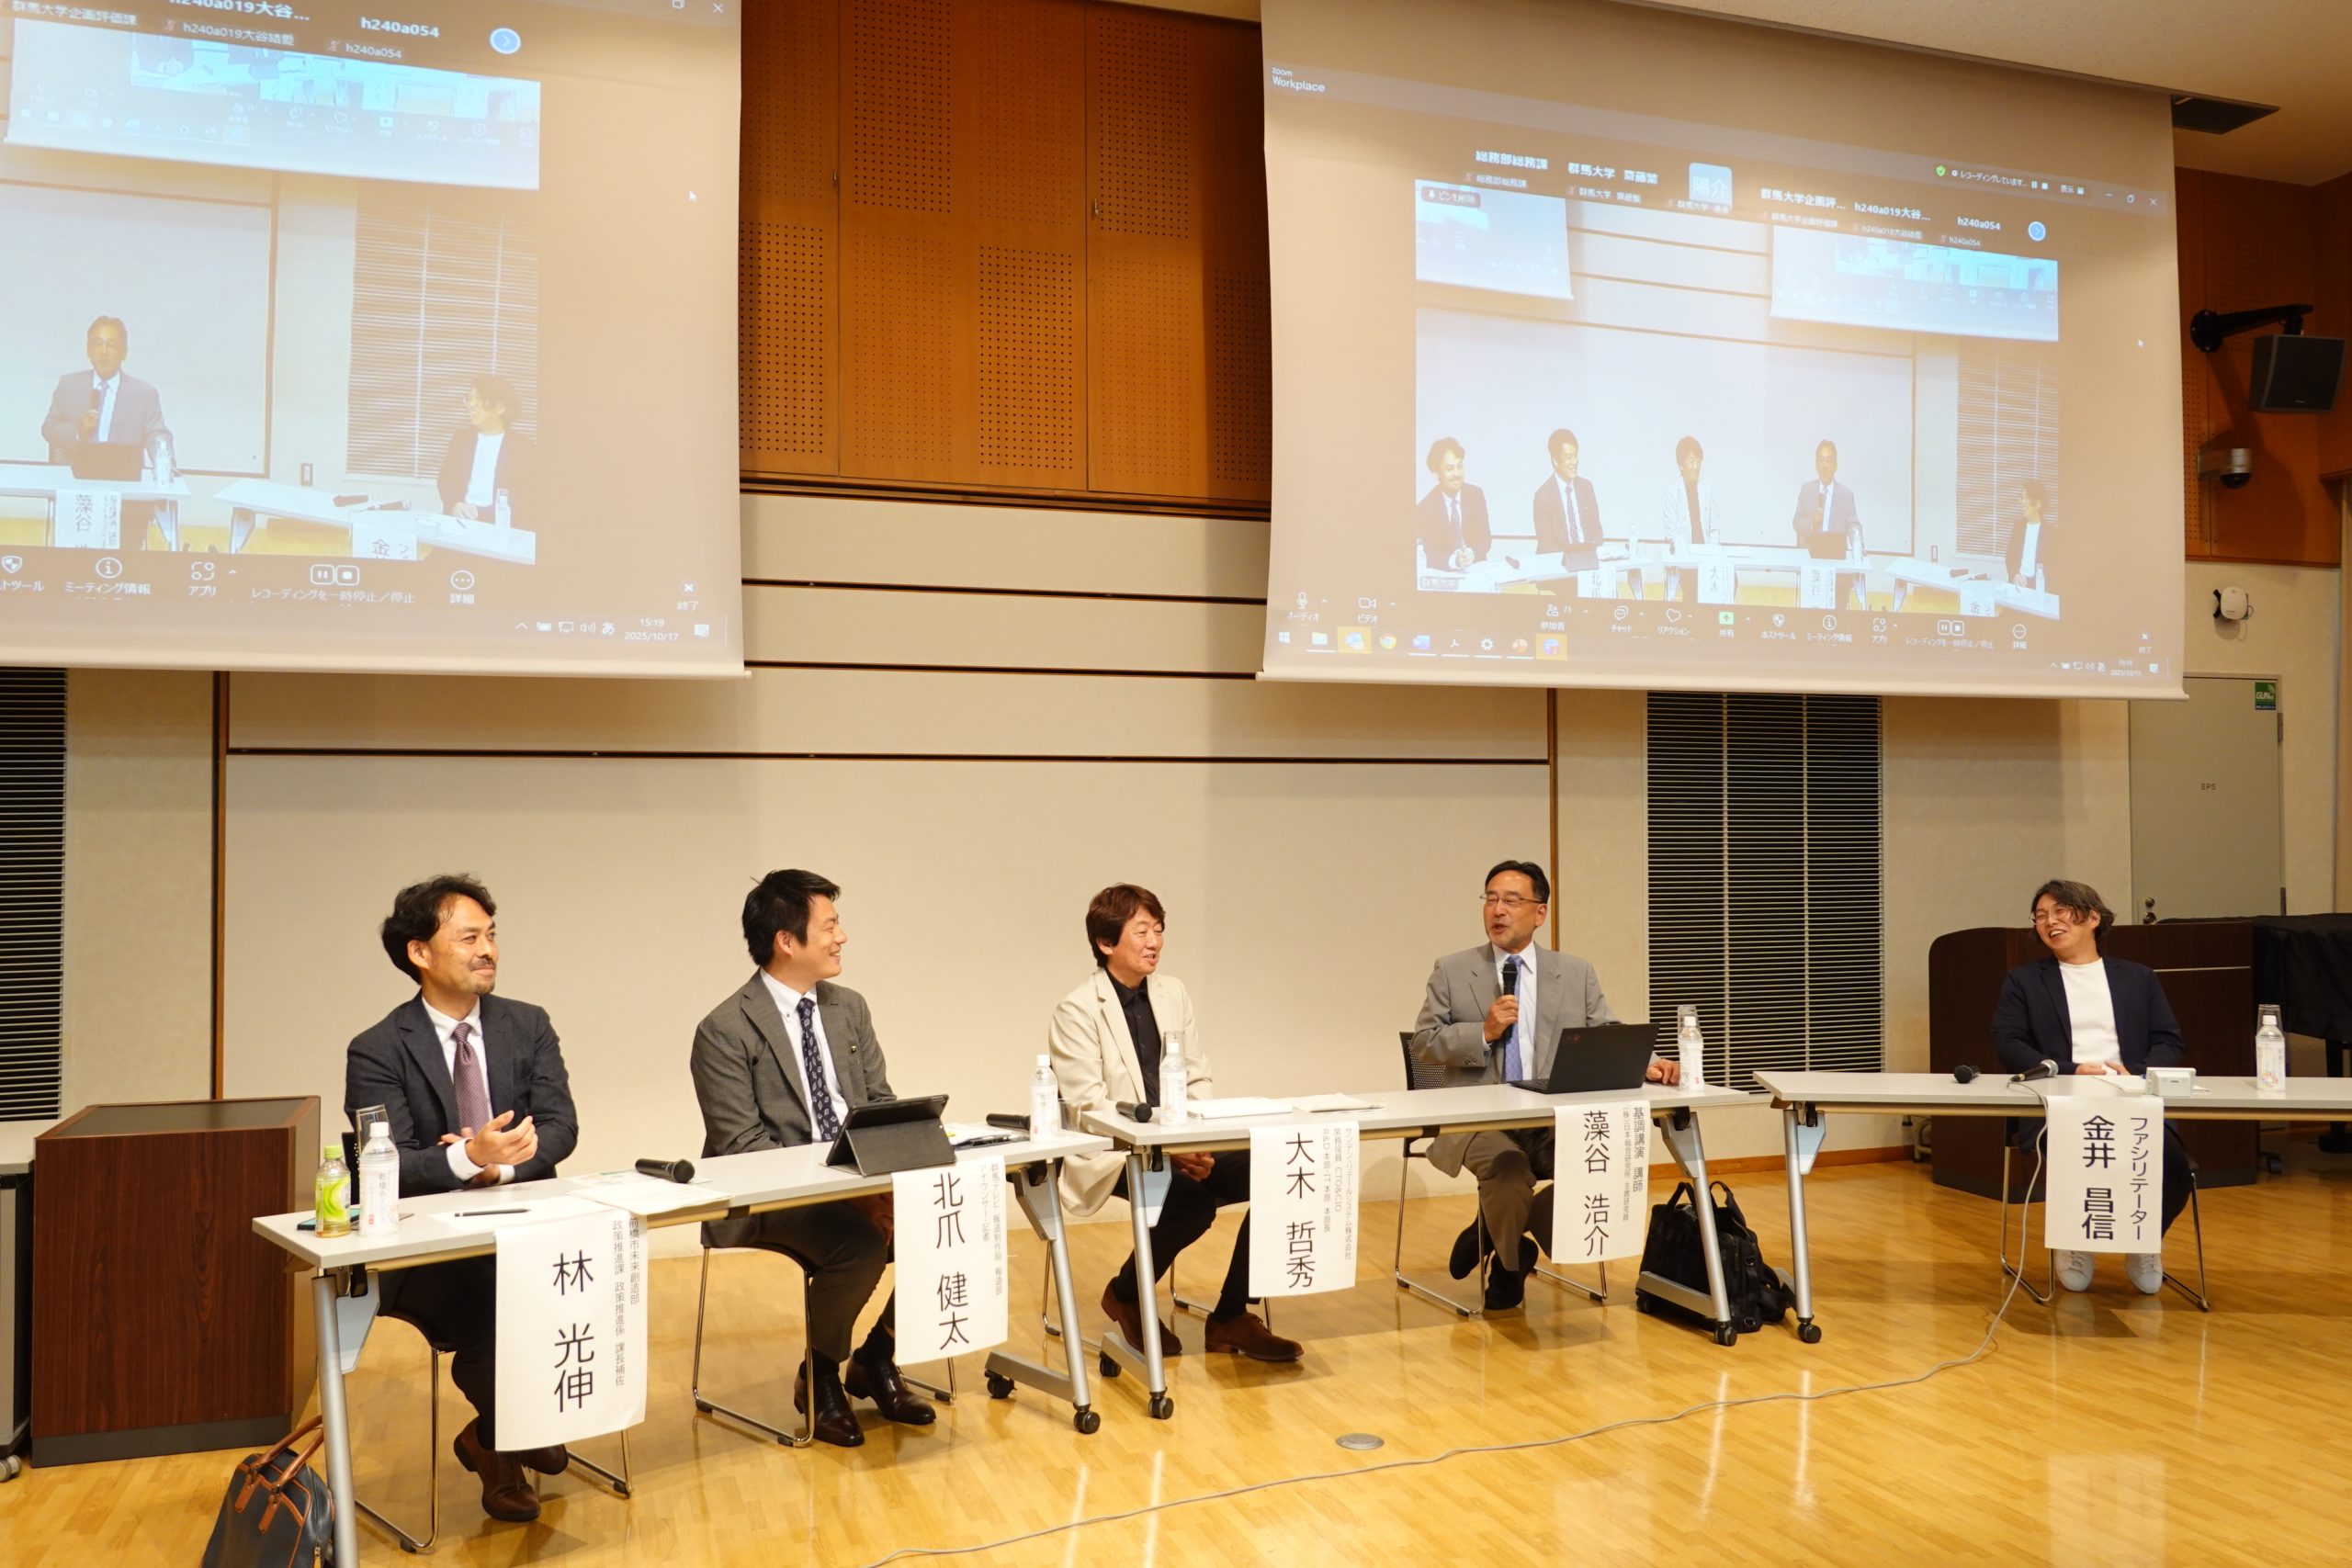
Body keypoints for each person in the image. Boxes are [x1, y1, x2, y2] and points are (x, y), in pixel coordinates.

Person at [344, 874, 580, 1524]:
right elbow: (383, 1164)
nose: (488, 950)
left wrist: (497, 1168)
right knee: (495, 1300)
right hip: (429, 1248)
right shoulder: (377, 1048)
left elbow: (561, 1125)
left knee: (589, 1270)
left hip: (524, 1218)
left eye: (492, 935)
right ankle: (506, 1435)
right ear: (420, 952)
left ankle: (499, 1427)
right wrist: (465, 1157)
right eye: (470, 937)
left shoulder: (528, 1024)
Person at [688, 868, 934, 1448]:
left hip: (855, 1184)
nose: (841, 937)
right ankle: (820, 1374)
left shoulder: (849, 1008)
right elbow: (742, 1150)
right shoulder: (724, 1029)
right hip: (766, 1200)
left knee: (951, 1215)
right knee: (860, 1242)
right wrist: (852, 1197)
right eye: (829, 926)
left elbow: (878, 1103)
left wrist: (885, 1181)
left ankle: (876, 1357)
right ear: (786, 940)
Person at [1046, 885, 1302, 1362]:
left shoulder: (1172, 992)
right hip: (1113, 1151)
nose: (1155, 943)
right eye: (1142, 931)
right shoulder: (1077, 1010)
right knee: (1190, 1205)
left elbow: (1196, 1074)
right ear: (1106, 943)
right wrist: (1167, 1149)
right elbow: (1089, 1106)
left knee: (1284, 1172)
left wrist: (1197, 1142)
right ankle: (1126, 1294)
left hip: (1180, 1140)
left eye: (1159, 930)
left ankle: (1231, 1316)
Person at [1410, 861, 1678, 1310]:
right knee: (1509, 1170)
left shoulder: (1574, 972)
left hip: (1551, 1118)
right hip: (1477, 1121)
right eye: (1491, 899)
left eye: (1511, 900)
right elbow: (1424, 1042)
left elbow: (1606, 1030)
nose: (1498, 909)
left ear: (1540, 913)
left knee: (1603, 1159)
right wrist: (1483, 1032)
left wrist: (1649, 1064)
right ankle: (1511, 1264)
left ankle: (1493, 1226)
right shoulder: (1454, 969)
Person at [1991, 878, 2194, 1295]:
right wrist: (2071, 1069)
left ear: (2093, 918)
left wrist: (2133, 1072)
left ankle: (2142, 1239)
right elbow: (2008, 1044)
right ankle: (2074, 1240)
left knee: (2175, 1167)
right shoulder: (2024, 981)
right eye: (2040, 916)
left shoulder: (2137, 978)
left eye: (2060, 911)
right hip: (2061, 1100)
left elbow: (2169, 1041)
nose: (2049, 922)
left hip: (2132, 1097)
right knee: (2076, 1158)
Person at [41, 315, 172, 548]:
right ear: (88, 349)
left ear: (124, 352)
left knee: (124, 554)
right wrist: (78, 430)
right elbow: (49, 428)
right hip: (77, 485)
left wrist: (165, 464)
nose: (103, 352)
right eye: (97, 343)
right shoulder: (69, 385)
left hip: (125, 493)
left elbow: (157, 435)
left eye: (111, 345)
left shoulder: (144, 394)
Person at [436, 374, 533, 524]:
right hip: (459, 520)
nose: (471, 405)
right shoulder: (461, 439)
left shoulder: (523, 448)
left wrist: (481, 513)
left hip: (499, 524)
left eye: (479, 400)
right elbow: (446, 479)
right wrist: (454, 504)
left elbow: (524, 497)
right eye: (470, 399)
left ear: (500, 407)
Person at [1789, 438, 1865, 609]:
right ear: (1816, 464)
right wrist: (1812, 523)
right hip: (1811, 559)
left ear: (1835, 465)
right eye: (1821, 460)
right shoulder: (1807, 490)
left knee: (1836, 611)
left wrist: (1859, 545)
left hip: (1836, 563)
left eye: (1829, 461)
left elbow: (1854, 525)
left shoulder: (1846, 495)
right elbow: (1796, 522)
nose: (1825, 466)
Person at [1655, 434, 1724, 600]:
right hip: (1686, 560)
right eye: (1691, 461)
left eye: (1698, 461)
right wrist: (1690, 556)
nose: (1696, 466)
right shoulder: (1672, 493)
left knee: (1730, 579)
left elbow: (1714, 527)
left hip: (1707, 557)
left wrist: (1711, 554)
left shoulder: (1709, 488)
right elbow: (1671, 533)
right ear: (1680, 465)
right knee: (1694, 587)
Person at [1416, 436, 1489, 570]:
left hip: (1476, 569)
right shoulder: (1425, 508)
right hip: (1446, 573)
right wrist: (1454, 561)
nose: (1457, 474)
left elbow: (1485, 539)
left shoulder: (1475, 495)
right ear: (1436, 473)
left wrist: (1471, 553)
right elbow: (1429, 553)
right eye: (1450, 469)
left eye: (1459, 466)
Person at [1532, 427, 1602, 554]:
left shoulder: (1586, 487)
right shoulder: (1543, 496)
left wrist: (1590, 555)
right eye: (1569, 457)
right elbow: (1546, 545)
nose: (1575, 462)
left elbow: (1597, 532)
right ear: (1555, 460)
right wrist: (1571, 559)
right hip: (1559, 562)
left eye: (1575, 456)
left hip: (1588, 559)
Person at [2006, 479, 2052, 591]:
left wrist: (2029, 582)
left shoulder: (2050, 533)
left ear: (2038, 503)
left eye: (2025, 498)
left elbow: (2051, 569)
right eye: (2022, 497)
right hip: (2016, 585)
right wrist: (2014, 575)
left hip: (2038, 589)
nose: (2022, 502)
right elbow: (2010, 557)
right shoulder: (2018, 527)